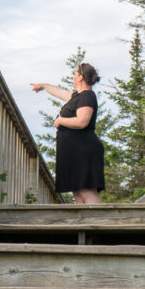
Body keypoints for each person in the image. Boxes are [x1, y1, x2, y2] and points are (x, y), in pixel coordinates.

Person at [31, 62, 105, 204]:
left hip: (84, 149)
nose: (73, 76)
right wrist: (44, 86)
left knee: (86, 190)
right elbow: (61, 92)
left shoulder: (87, 96)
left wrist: (60, 121)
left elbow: (82, 121)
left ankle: (99, 224)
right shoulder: (78, 97)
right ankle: (85, 225)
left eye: (75, 73)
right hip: (74, 150)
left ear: (81, 77)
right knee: (77, 191)